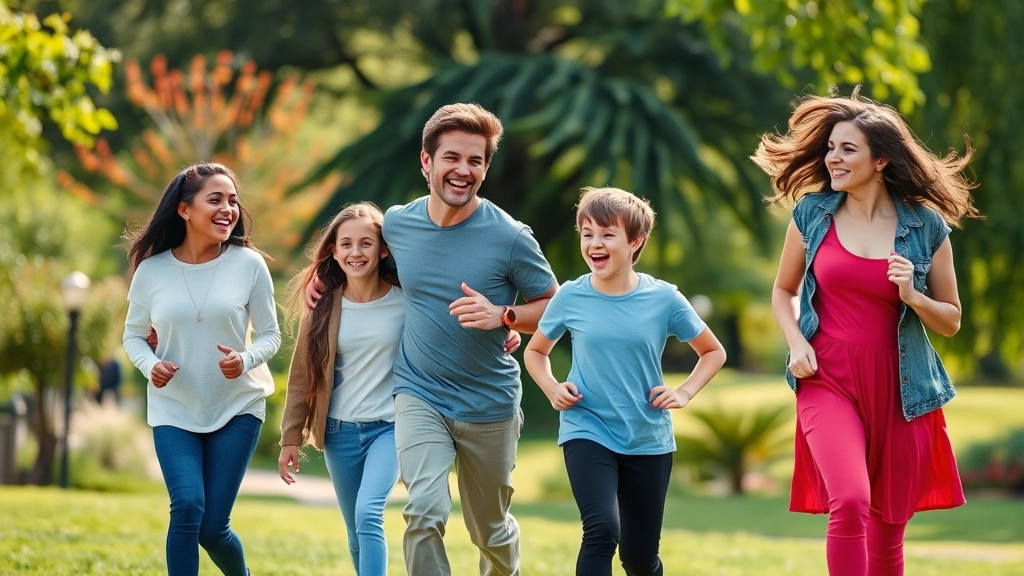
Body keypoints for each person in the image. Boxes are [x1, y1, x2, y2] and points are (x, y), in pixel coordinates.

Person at [308, 102, 558, 576]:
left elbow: (556, 307)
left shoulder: (510, 237)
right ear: (427, 162)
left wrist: (504, 316)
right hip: (420, 393)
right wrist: (324, 281)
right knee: (424, 510)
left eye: (476, 160)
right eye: (452, 158)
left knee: (490, 530)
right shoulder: (400, 225)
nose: (463, 170)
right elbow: (360, 257)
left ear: (486, 166)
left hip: (490, 404)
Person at [751, 88, 976, 576]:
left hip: (902, 390)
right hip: (827, 376)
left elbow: (952, 319)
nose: (833, 157)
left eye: (847, 149)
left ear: (881, 160)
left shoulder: (925, 228)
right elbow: (783, 290)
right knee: (850, 500)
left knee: (888, 530)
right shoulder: (812, 215)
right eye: (831, 147)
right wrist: (795, 343)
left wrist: (913, 296)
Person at [277, 202, 523, 575]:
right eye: (345, 244)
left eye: (365, 243)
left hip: (392, 425)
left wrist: (507, 330)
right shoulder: (324, 305)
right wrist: (291, 436)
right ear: (334, 250)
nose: (355, 252)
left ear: (384, 248)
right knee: (355, 531)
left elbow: (450, 326)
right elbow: (302, 375)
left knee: (368, 512)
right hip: (339, 431)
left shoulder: (407, 298)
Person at [524, 187, 726, 576]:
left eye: (607, 234)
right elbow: (535, 352)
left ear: (636, 242)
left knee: (638, 557)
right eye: (587, 234)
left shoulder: (664, 298)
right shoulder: (571, 296)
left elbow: (713, 351)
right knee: (601, 530)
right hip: (588, 427)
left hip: (647, 436)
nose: (594, 244)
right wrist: (552, 388)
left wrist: (683, 392)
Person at [123, 162, 280, 576]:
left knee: (213, 529)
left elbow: (270, 335)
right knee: (188, 504)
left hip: (237, 406)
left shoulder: (249, 264)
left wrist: (244, 359)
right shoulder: (152, 271)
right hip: (174, 407)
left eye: (232, 200)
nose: (228, 209)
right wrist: (150, 365)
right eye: (216, 199)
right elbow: (133, 336)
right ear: (184, 210)